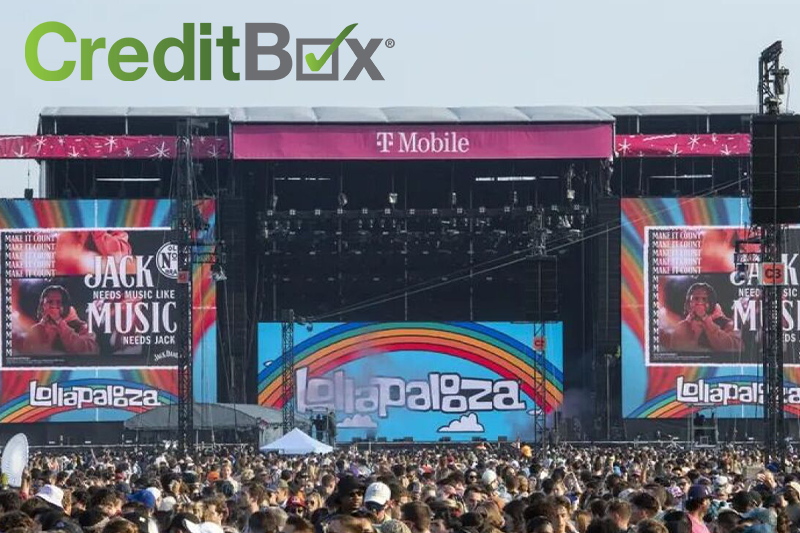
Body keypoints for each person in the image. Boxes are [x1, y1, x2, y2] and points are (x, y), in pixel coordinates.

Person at [662, 283, 741, 352]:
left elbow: (736, 349)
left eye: (704, 299)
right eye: (696, 299)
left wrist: (707, 322)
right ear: (689, 303)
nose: (700, 303)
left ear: (711, 303)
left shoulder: (727, 324)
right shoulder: (682, 327)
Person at [22, 285, 98, 355]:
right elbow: (25, 355)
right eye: (50, 302)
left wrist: (59, 322)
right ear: (43, 305)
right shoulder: (35, 330)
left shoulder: (82, 327)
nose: (54, 305)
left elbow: (89, 352)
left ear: (66, 306)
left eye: (59, 302)